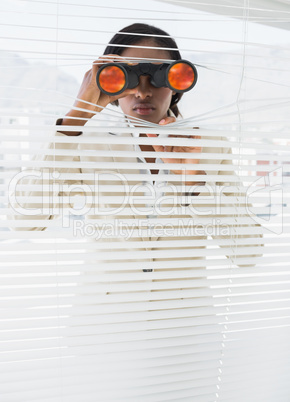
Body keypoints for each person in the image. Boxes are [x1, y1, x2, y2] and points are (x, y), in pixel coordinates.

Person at [9, 23, 263, 395]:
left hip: (187, 341)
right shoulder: (85, 142)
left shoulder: (208, 145)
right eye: (128, 76)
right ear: (107, 80)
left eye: (159, 75)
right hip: (104, 342)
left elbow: (248, 252)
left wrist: (195, 182)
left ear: (179, 79)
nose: (143, 89)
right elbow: (24, 219)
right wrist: (78, 115)